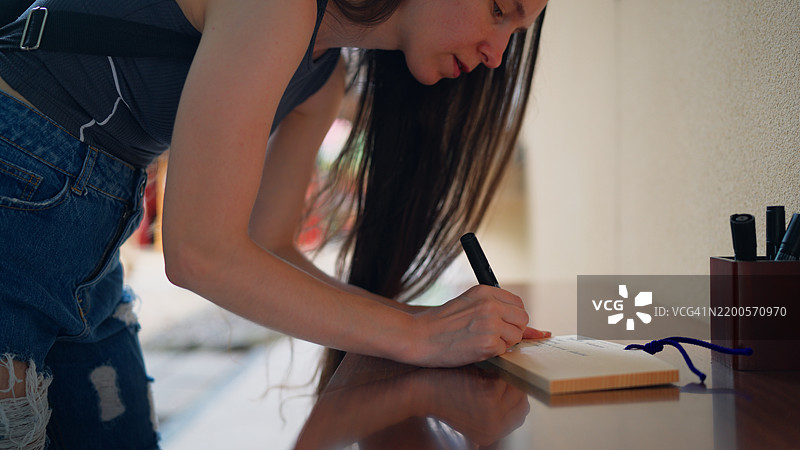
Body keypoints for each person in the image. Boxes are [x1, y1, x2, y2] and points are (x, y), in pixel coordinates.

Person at [0, 0, 548, 447]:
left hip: (85, 242)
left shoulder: (322, 78)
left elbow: (268, 244)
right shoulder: (280, 6)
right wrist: (419, 335)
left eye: (518, 31)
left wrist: (426, 321)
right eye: (500, 9)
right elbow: (201, 254)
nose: (498, 55)